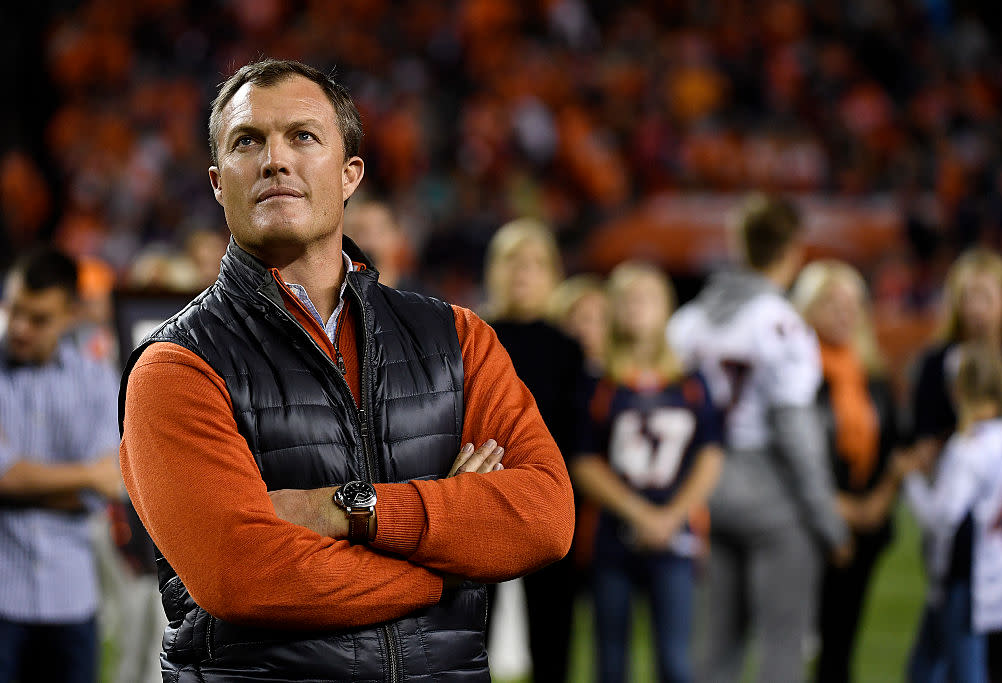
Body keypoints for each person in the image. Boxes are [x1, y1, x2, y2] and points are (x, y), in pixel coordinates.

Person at [118, 58, 575, 682]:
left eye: (303, 136)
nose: (275, 159)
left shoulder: (459, 336)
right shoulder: (176, 366)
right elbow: (241, 574)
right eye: (247, 141)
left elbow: (544, 517)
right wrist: (449, 559)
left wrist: (346, 510)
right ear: (219, 182)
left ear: (351, 172)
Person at [666, 194, 849, 683]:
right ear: (792, 248)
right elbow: (796, 433)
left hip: (705, 489)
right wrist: (829, 520)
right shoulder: (782, 322)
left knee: (715, 653)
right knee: (781, 651)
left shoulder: (687, 322)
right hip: (772, 494)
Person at [573, 262, 724, 683]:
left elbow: (710, 456)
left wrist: (671, 516)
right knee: (610, 663)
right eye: (628, 297)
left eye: (647, 297)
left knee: (676, 664)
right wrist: (641, 515)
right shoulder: (598, 382)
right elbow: (584, 461)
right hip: (610, 536)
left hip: (677, 536)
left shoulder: (691, 382)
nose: (637, 306)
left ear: (667, 308)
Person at [0, 246, 124, 683]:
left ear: (70, 315)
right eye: (13, 310)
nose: (19, 327)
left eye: (38, 318)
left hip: (72, 599)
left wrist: (19, 480)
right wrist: (86, 474)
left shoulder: (96, 378)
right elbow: (3, 475)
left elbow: (107, 486)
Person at [908, 248, 1002, 683]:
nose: (975, 309)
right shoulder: (938, 362)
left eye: (985, 296)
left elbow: (937, 507)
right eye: (967, 297)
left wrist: (911, 484)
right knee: (951, 647)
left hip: (998, 529)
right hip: (968, 534)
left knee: (980, 651)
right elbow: (923, 439)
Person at [790, 260, 907, 683]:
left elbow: (895, 446)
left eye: (854, 303)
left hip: (866, 529)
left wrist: (878, 501)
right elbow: (788, 454)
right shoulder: (795, 373)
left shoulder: (872, 373)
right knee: (792, 647)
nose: (846, 312)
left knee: (841, 648)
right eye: (832, 303)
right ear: (807, 308)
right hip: (806, 525)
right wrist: (835, 508)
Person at [482, 218, 584, 683]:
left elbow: (575, 434)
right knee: (472, 633)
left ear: (553, 275)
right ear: (493, 270)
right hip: (480, 499)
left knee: (554, 632)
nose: (523, 272)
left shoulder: (569, 349)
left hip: (547, 500)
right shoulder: (470, 335)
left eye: (536, 263)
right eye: (512, 261)